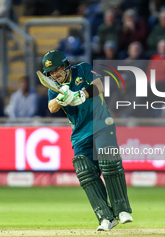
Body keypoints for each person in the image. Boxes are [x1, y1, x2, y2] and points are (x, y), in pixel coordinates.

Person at [42, 50, 133, 231]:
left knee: (109, 162)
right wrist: (61, 97)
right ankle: (105, 217)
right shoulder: (54, 87)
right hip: (79, 133)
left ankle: (121, 209)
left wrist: (81, 94)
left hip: (101, 123)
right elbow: (51, 107)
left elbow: (100, 85)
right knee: (86, 173)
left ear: (66, 65)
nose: (55, 74)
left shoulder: (82, 69)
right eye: (51, 73)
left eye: (58, 69)